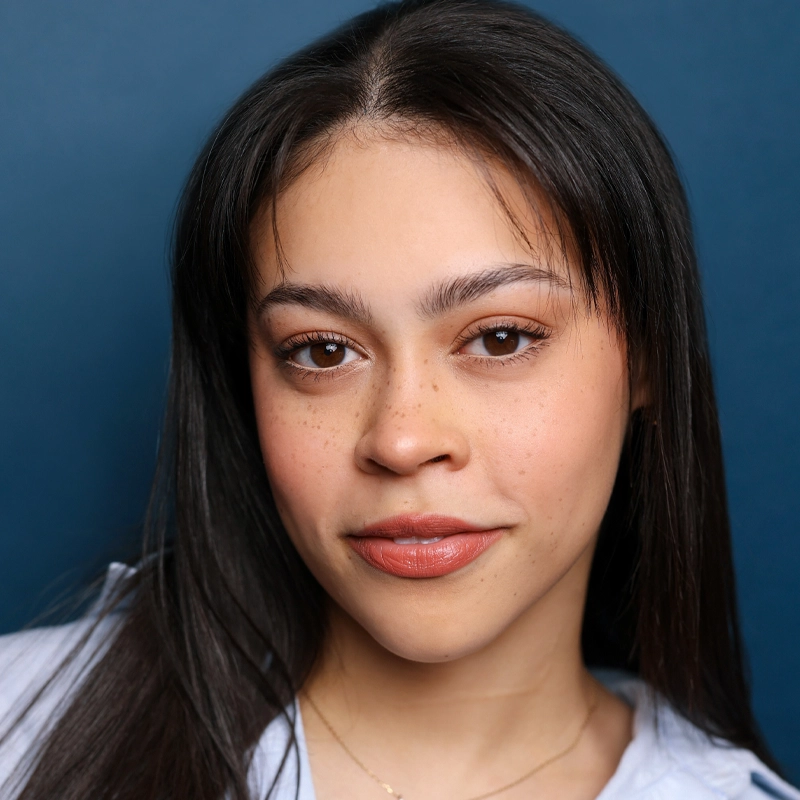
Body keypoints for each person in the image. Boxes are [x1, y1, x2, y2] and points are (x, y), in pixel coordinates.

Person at [0, 1, 797, 798]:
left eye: (501, 338)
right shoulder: (21, 729)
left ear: (648, 356)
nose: (403, 440)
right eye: (322, 351)